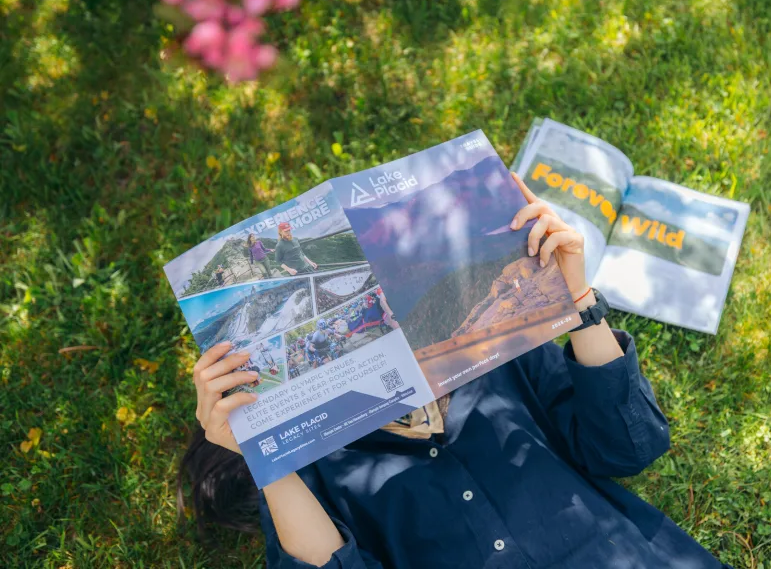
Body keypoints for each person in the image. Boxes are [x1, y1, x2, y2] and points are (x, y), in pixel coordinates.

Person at [179, 173, 730, 569]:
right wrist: (266, 455)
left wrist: (577, 299)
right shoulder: (321, 460)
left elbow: (629, 446)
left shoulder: (497, 358)